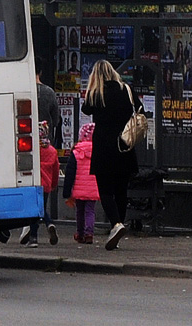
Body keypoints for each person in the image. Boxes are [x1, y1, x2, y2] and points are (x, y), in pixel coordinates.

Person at [81, 59, 143, 250]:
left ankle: (116, 224)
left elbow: (85, 109)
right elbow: (139, 108)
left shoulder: (96, 93)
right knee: (121, 191)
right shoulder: (126, 89)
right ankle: (118, 226)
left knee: (105, 190)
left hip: (104, 147)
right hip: (124, 145)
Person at [21, 121, 60, 247]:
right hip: (46, 185)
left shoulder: (31, 149)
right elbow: (55, 170)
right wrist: (53, 185)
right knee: (41, 208)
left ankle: (34, 238)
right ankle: (49, 224)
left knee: (34, 212)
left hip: (33, 183)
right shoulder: (52, 151)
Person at [63, 122, 100, 244]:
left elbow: (70, 172)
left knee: (80, 211)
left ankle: (80, 233)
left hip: (79, 187)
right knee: (90, 211)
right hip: (93, 187)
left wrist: (67, 191)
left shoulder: (76, 151)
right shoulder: (98, 150)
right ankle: (89, 233)